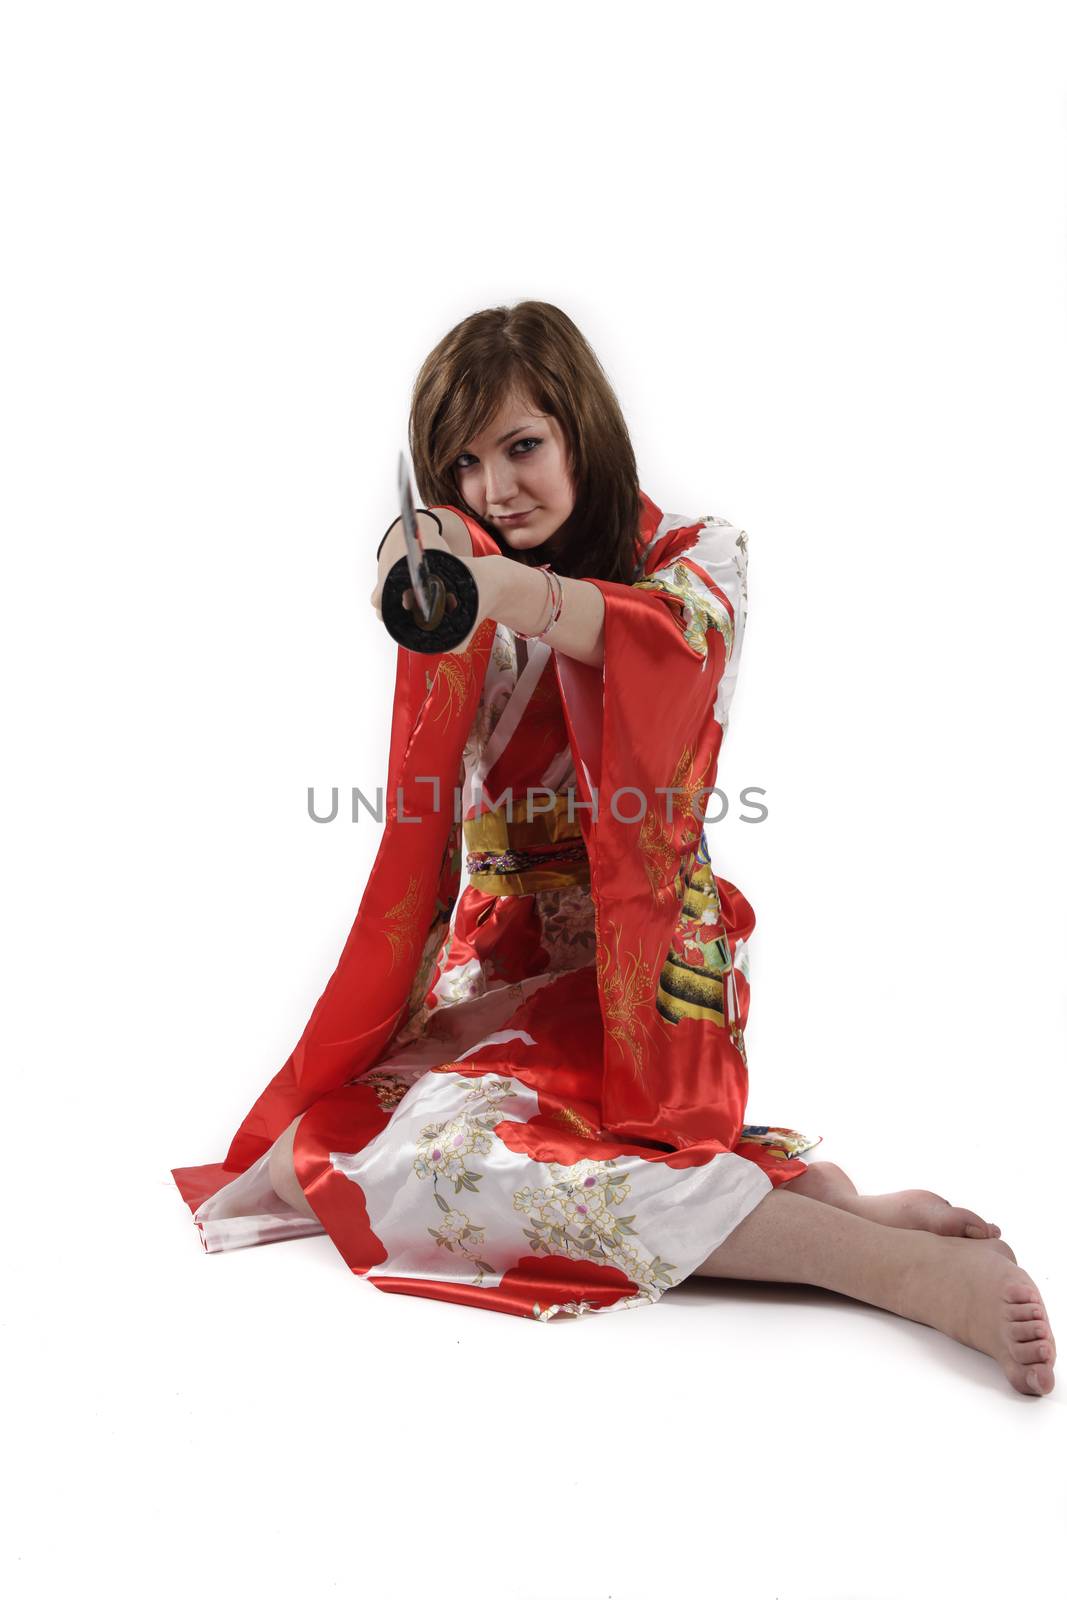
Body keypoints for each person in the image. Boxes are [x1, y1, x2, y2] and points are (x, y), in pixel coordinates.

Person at [172, 301, 1055, 1395]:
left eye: (521, 446)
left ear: (582, 429)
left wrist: (499, 593)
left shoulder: (697, 559)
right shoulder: (459, 586)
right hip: (499, 974)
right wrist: (419, 552)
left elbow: (646, 647)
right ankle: (799, 1196)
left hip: (646, 980)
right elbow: (432, 637)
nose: (495, 486)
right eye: (461, 463)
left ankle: (884, 1270)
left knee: (436, 1165)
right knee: (312, 1156)